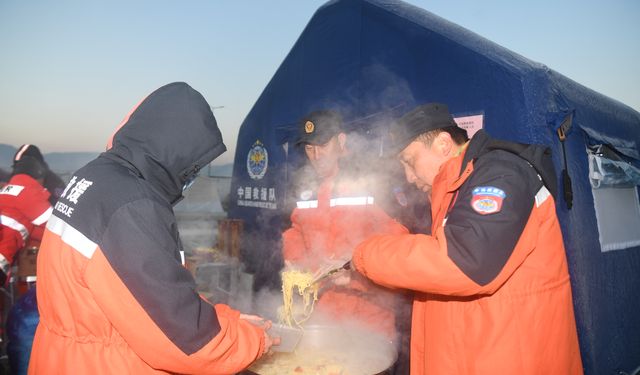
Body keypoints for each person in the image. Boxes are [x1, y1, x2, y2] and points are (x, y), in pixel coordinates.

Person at [28, 82, 277, 374]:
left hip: (67, 358)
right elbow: (188, 342)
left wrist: (229, 319)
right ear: (175, 153)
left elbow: (150, 295)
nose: (191, 176)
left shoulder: (97, 177)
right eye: (192, 167)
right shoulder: (132, 205)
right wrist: (256, 340)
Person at [351, 103, 583, 374]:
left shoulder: (502, 174)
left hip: (511, 359)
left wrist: (365, 255)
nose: (408, 177)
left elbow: (461, 264)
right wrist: (360, 277)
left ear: (443, 144)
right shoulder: (454, 188)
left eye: (409, 161)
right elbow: (433, 279)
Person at [282, 109, 408, 338]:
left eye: (322, 145)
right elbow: (296, 230)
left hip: (367, 317)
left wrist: (356, 277)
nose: (316, 155)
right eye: (309, 148)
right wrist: (297, 261)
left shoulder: (372, 179)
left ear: (341, 140)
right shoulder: (304, 184)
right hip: (322, 312)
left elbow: (399, 246)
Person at [0, 156, 52, 286]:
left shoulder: (7, 190)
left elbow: (28, 227)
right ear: (38, 176)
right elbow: (57, 226)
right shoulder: (29, 193)